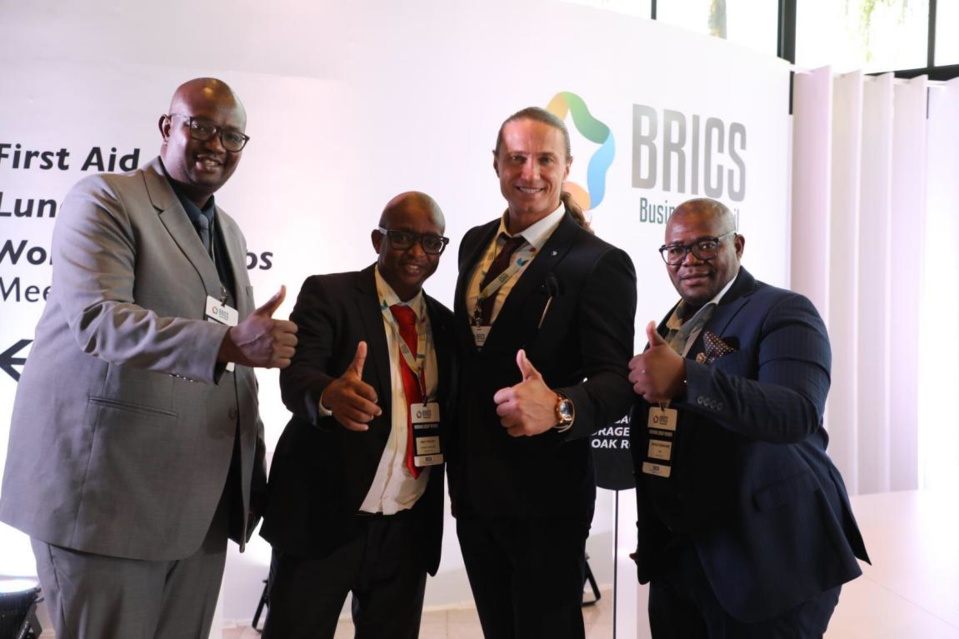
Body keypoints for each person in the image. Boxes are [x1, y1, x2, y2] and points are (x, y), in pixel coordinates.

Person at [0, 77, 298, 639]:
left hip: (199, 508)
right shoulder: (105, 199)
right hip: (110, 505)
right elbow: (100, 319)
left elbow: (233, 366)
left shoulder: (228, 232)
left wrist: (249, 478)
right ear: (168, 127)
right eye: (201, 126)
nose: (216, 144)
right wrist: (230, 344)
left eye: (232, 135)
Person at [628, 197, 870, 638]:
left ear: (736, 244)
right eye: (676, 250)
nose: (688, 261)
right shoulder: (670, 328)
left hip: (769, 558)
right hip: (680, 557)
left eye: (704, 245)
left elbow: (795, 412)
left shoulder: (785, 311)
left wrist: (687, 379)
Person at [451, 107, 637, 638]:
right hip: (474, 492)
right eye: (516, 158)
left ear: (567, 166)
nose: (529, 172)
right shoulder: (473, 242)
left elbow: (615, 382)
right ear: (496, 165)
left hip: (546, 498)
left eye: (544, 159)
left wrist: (559, 407)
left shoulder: (600, 263)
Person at [260, 192, 454, 639]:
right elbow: (297, 376)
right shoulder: (329, 293)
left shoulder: (445, 325)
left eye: (431, 242)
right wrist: (329, 393)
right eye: (403, 237)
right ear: (377, 240)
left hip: (406, 528)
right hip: (323, 520)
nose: (416, 253)